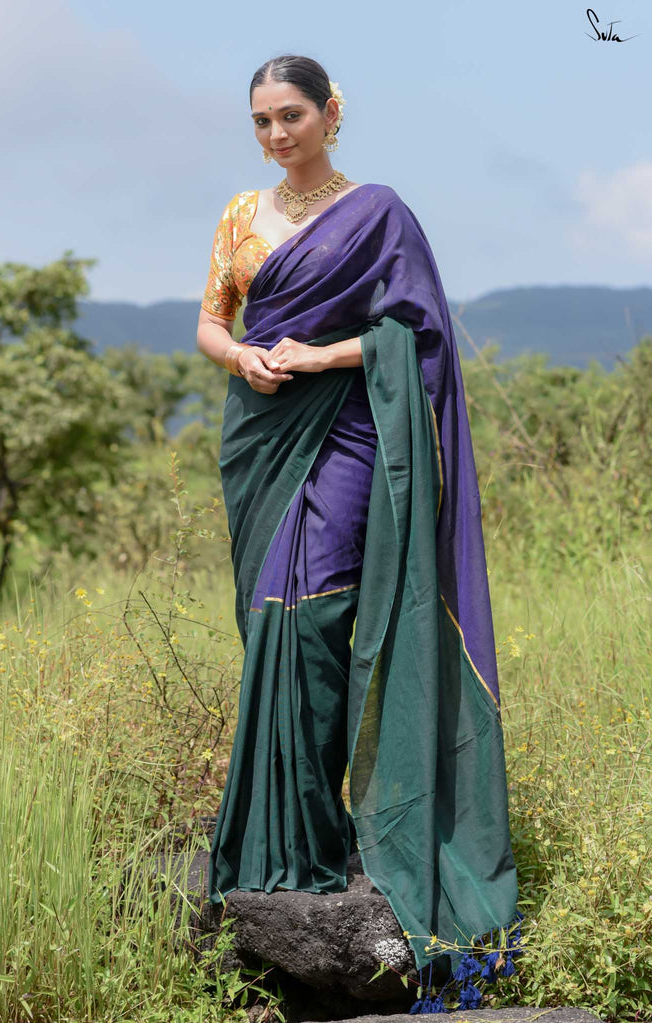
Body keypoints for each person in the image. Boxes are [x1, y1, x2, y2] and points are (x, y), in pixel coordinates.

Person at [195, 53, 520, 980]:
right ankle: (289, 841)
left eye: (290, 116)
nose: (275, 134)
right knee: (268, 627)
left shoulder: (378, 213)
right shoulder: (238, 214)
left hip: (344, 432)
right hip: (260, 439)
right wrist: (242, 359)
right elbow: (213, 322)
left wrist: (318, 356)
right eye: (260, 121)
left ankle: (333, 840)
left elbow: (416, 335)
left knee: (316, 620)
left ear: (330, 112)